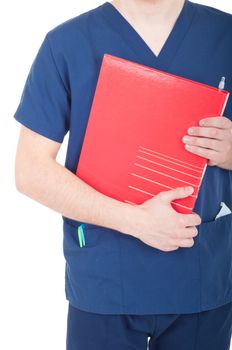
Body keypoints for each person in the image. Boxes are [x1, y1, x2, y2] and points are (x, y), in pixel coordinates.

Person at [13, 0, 232, 349]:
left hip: (201, 279)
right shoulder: (67, 43)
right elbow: (29, 170)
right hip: (106, 282)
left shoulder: (225, 35)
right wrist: (133, 221)